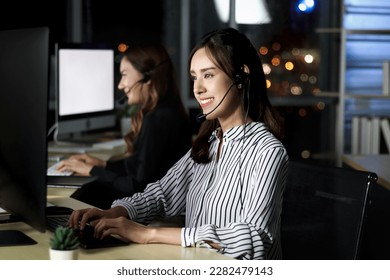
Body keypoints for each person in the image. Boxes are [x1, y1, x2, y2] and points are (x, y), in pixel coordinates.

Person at [68, 28, 289, 260]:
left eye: (208, 75)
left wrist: (148, 234)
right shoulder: (209, 145)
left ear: (241, 76)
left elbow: (253, 238)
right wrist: (114, 212)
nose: (197, 88)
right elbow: (161, 194)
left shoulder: (267, 151)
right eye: (194, 77)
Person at [57, 42, 192, 208]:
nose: (120, 85)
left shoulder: (156, 121)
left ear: (147, 77)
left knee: (68, 202)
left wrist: (91, 171)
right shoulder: (168, 112)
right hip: (158, 204)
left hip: (148, 210)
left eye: (124, 75)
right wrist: (102, 164)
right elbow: (143, 169)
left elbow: (137, 186)